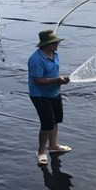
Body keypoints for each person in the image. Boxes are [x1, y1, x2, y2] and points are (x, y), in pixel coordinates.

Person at [28, 30, 71, 165]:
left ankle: (53, 146)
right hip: (40, 95)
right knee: (47, 124)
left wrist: (60, 81)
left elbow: (53, 73)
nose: (58, 43)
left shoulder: (55, 54)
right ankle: (41, 151)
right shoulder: (36, 59)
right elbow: (37, 80)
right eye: (54, 42)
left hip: (54, 93)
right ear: (46, 44)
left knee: (55, 120)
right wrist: (57, 80)